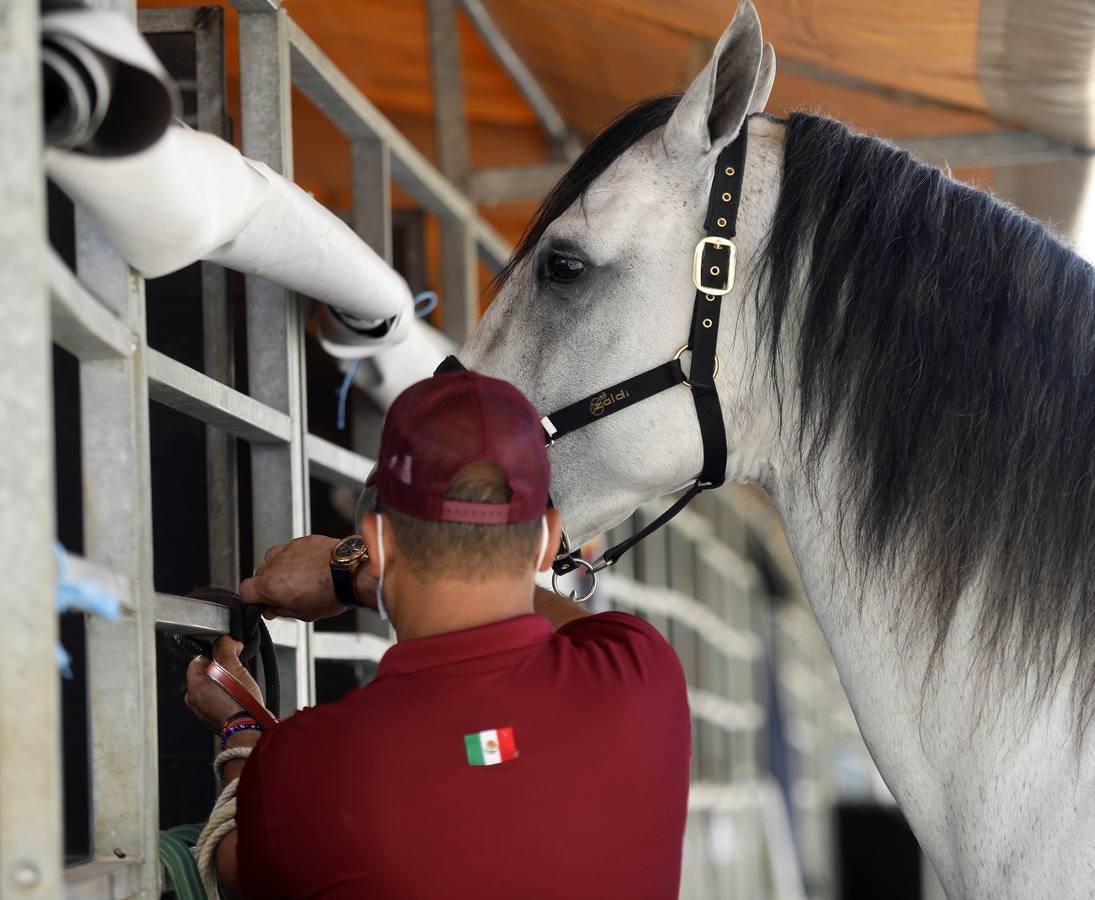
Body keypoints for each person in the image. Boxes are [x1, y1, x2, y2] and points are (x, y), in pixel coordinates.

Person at [183, 371, 691, 900]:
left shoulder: (306, 767)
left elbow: (234, 867)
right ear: (547, 542)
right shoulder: (641, 671)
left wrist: (239, 726)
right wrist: (353, 573)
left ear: (376, 541)